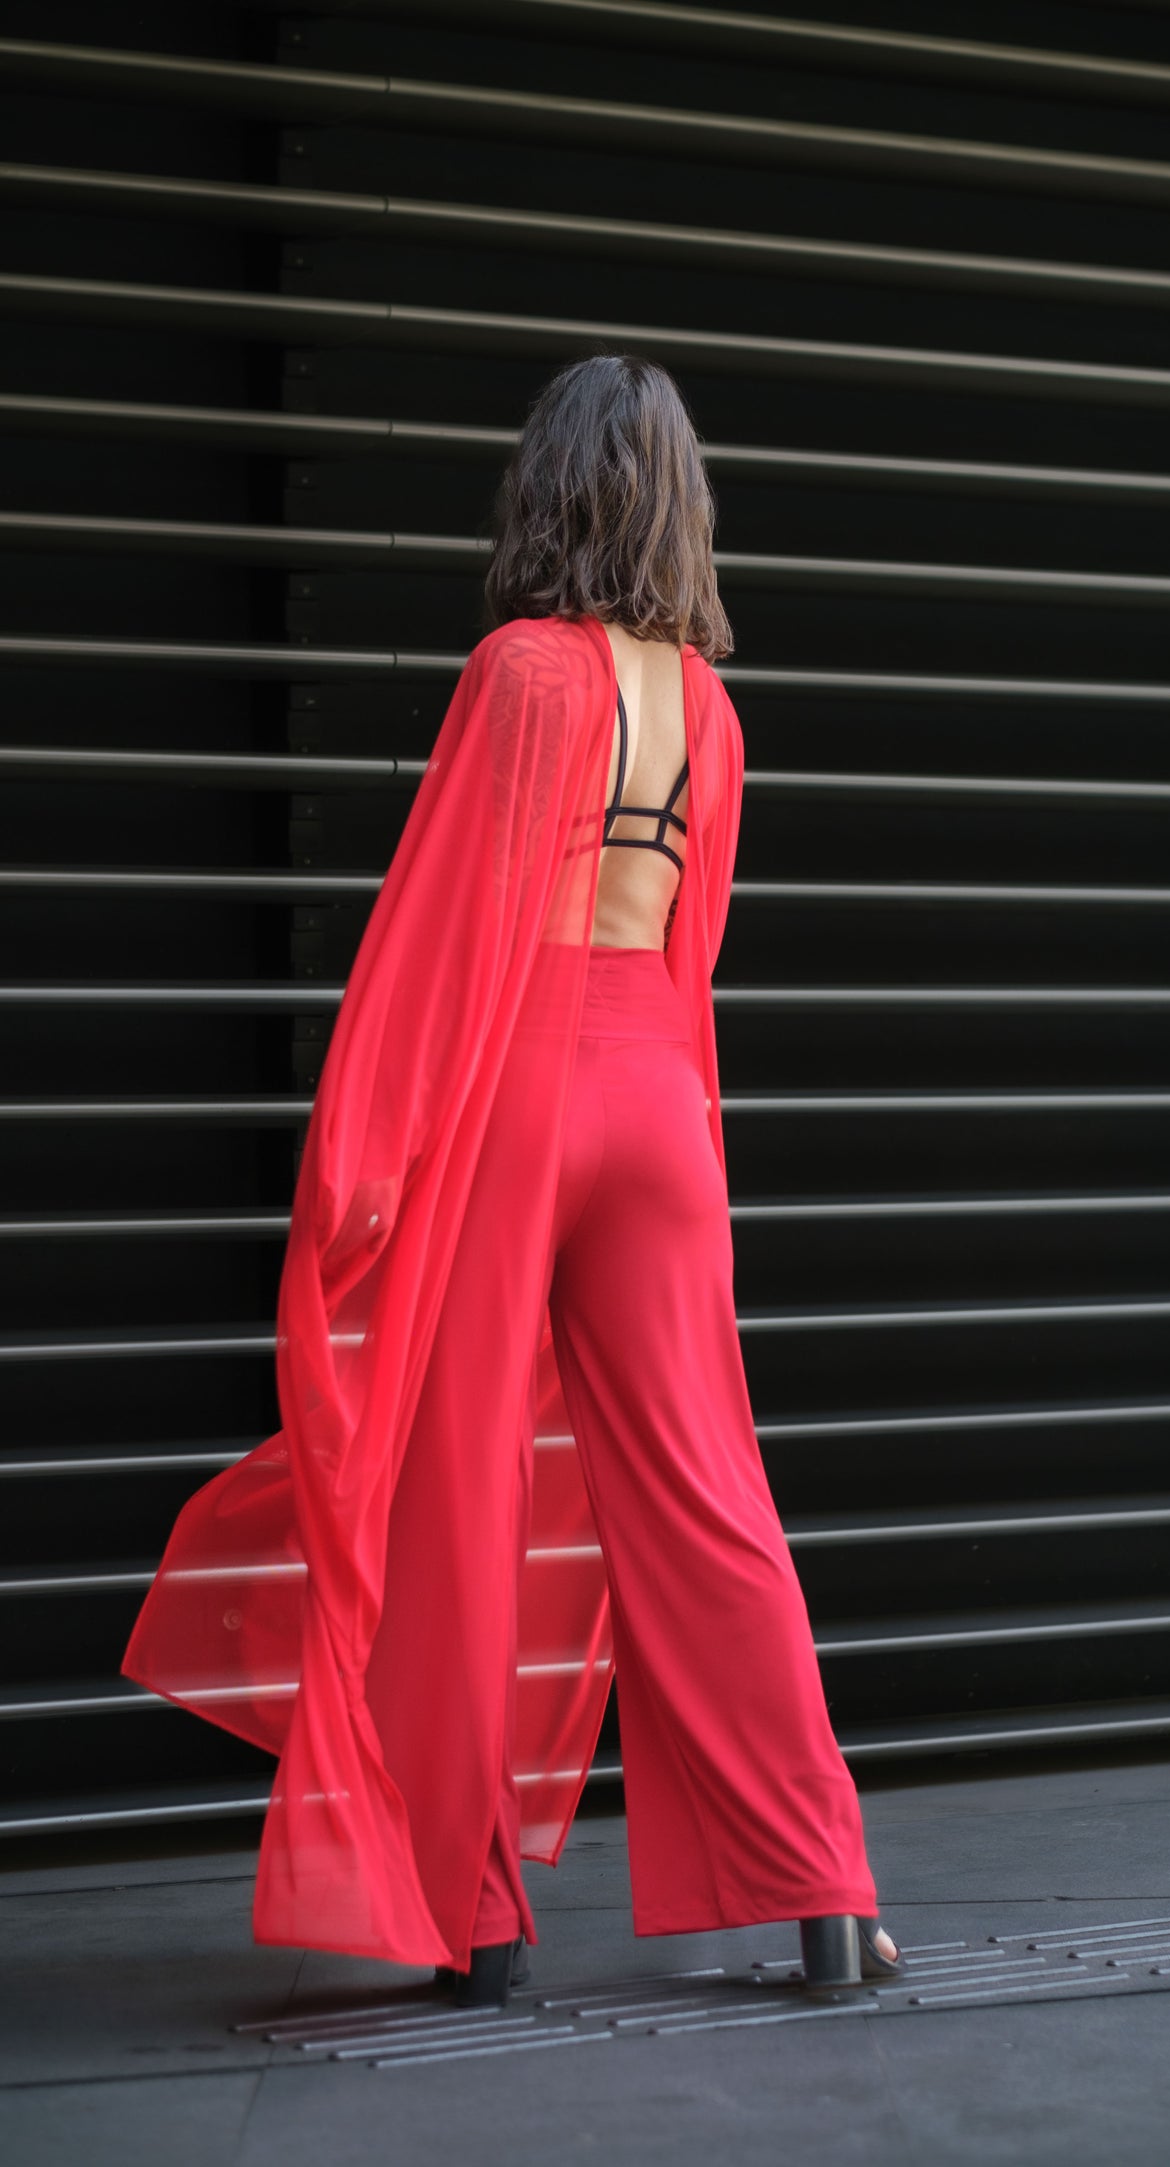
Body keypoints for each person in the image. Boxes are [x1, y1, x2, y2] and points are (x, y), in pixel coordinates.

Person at [121, 351, 900, 2006]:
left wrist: (362, 1170)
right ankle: (829, 1895)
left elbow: (434, 951)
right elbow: (687, 965)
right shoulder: (710, 708)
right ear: (680, 508)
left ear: (550, 490)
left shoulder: (518, 675)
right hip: (658, 1109)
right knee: (709, 1496)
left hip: (520, 1092)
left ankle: (473, 1922)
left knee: (455, 1494)